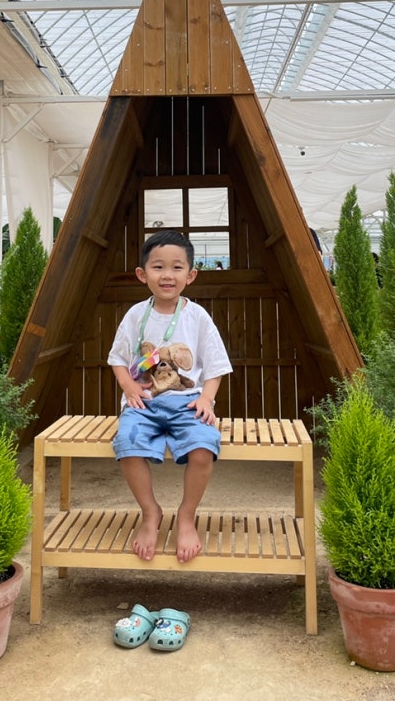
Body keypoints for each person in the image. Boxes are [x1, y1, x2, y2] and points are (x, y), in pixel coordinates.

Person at [108, 230, 233, 564]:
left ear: (191, 275)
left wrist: (206, 399)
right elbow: (117, 359)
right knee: (126, 443)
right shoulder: (135, 315)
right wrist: (129, 386)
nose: (167, 275)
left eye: (177, 267)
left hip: (187, 401)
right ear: (142, 274)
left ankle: (187, 516)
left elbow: (216, 365)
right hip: (143, 403)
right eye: (158, 267)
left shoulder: (197, 317)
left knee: (204, 447)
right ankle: (150, 512)